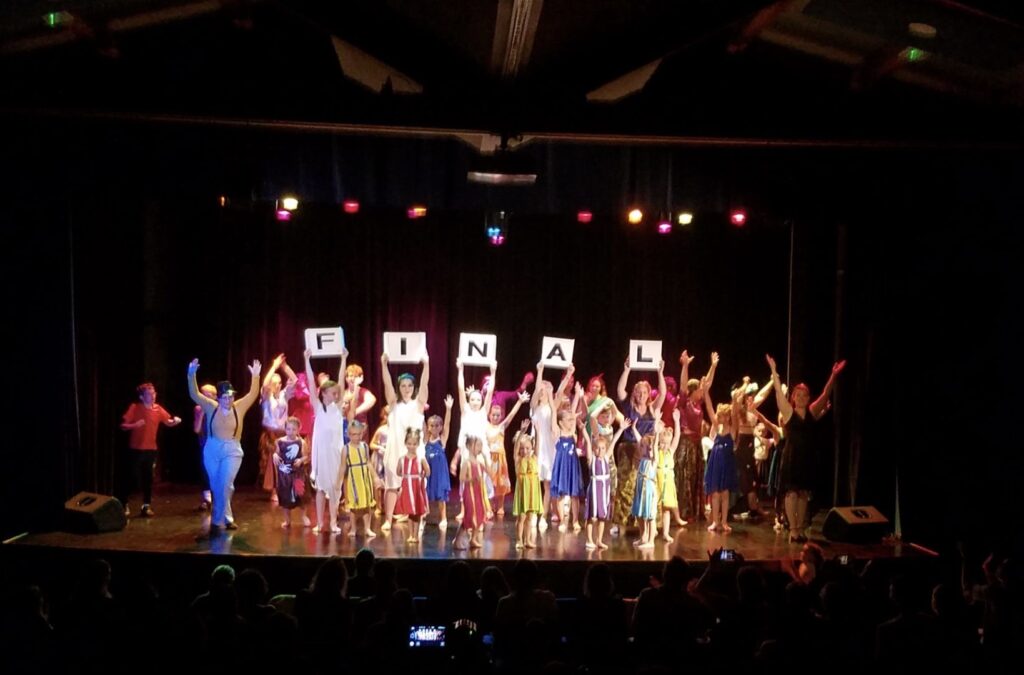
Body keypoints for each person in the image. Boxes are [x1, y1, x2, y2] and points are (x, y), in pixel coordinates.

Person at [766, 354, 846, 542]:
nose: (801, 398)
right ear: (793, 397)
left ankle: (800, 528)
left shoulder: (812, 412)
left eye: (804, 395)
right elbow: (778, 392)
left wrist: (834, 375)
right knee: (792, 493)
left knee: (803, 494)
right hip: (792, 457)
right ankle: (793, 529)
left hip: (807, 458)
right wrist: (774, 370)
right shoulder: (788, 412)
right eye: (798, 395)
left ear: (808, 398)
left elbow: (826, 394)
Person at [187, 358, 261, 531]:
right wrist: (191, 374)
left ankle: (216, 521)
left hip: (232, 449)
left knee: (225, 483)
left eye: (231, 396)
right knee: (216, 485)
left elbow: (252, 394)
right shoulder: (211, 406)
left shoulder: (238, 407)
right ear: (219, 398)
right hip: (212, 448)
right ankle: (227, 518)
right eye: (225, 397)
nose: (229, 400)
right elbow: (194, 394)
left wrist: (256, 376)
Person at [380, 349, 430, 532]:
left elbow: (425, 384)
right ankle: (388, 519)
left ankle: (419, 518)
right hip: (396, 449)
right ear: (399, 388)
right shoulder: (394, 405)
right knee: (392, 485)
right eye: (403, 386)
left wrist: (426, 365)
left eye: (409, 386)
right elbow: (387, 384)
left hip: (415, 450)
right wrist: (384, 365)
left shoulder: (418, 405)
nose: (407, 389)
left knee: (417, 485)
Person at [118, 383, 182, 517]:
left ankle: (146, 506)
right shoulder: (135, 407)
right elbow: (123, 426)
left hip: (151, 450)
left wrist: (175, 421)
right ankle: (124, 504)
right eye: (149, 394)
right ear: (142, 397)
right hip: (135, 449)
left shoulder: (158, 409)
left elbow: (168, 422)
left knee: (148, 478)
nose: (153, 396)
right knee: (131, 478)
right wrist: (135, 425)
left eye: (154, 393)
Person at [304, 348, 348, 534]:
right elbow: (310, 381)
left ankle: (333, 522)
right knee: (321, 489)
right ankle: (320, 522)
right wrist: (307, 360)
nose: (336, 395)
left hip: (335, 453)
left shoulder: (338, 408)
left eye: (336, 393)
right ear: (323, 393)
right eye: (332, 393)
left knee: (335, 489)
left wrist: (343, 359)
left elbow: (341, 381)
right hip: (321, 454)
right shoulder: (317, 407)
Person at [676, 350, 718, 523]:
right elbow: (683, 385)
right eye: (699, 389)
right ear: (692, 391)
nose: (702, 391)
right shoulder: (684, 402)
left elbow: (707, 384)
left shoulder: (698, 402)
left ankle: (694, 510)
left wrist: (713, 366)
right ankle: (685, 511)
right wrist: (685, 366)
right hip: (685, 444)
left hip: (696, 443)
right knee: (686, 477)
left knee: (696, 477)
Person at [703, 373, 742, 533]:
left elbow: (735, 414)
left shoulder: (732, 429)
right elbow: (709, 408)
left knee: (725, 493)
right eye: (720, 415)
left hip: (726, 462)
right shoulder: (716, 426)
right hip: (715, 461)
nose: (721, 418)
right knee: (715, 493)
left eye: (724, 415)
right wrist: (706, 392)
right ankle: (715, 521)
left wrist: (735, 400)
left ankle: (724, 521)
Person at [258, 353, 297, 504]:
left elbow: (294, 380)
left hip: (284, 433)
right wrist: (274, 367)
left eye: (280, 383)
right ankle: (274, 490)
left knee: (287, 461)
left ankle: (286, 488)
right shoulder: (266, 397)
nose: (278, 385)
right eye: (275, 383)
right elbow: (265, 384)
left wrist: (284, 367)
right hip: (271, 434)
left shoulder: (283, 395)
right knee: (273, 461)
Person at [586, 420, 629, 550]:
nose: (600, 451)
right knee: (592, 516)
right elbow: (588, 442)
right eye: (598, 448)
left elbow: (614, 441)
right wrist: (583, 431)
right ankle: (589, 540)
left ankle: (599, 540)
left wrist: (621, 429)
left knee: (602, 517)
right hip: (595, 489)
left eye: (603, 448)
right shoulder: (592, 459)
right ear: (594, 449)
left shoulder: (606, 458)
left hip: (604, 489)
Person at [485, 391, 530, 516]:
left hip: (500, 459)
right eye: (493, 415)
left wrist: (519, 402)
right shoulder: (485, 425)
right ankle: (490, 505)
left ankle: (500, 505)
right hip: (489, 459)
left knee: (501, 483)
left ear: (501, 416)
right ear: (489, 415)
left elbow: (511, 415)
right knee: (490, 482)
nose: (495, 417)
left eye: (498, 415)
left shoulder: (501, 427)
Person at [340, 420, 376, 538]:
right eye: (353, 434)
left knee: (366, 504)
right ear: (349, 434)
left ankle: (367, 528)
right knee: (353, 506)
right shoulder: (346, 449)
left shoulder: (364, 446)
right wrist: (338, 482)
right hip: (353, 479)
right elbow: (342, 467)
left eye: (359, 434)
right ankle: (353, 528)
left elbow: (369, 463)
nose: (356, 437)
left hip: (364, 478)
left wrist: (375, 477)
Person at [273, 416, 310, 528]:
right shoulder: (280, 441)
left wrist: (301, 460)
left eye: (294, 429)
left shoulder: (301, 442)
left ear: (298, 430)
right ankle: (287, 519)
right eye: (288, 429)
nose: (291, 432)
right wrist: (275, 455)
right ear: (285, 429)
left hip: (297, 473)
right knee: (285, 496)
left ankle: (304, 516)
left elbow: (306, 456)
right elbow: (277, 453)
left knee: (301, 494)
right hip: (285, 473)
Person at [395, 427, 430, 542]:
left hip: (416, 488)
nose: (411, 446)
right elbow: (398, 471)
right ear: (405, 443)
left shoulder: (421, 459)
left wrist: (421, 477)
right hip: (407, 488)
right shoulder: (402, 459)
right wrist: (406, 477)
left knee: (417, 512)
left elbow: (428, 471)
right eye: (409, 444)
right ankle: (410, 535)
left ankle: (416, 535)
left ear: (418, 444)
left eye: (414, 444)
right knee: (410, 512)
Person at [425, 396, 454, 528]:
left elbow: (447, 423)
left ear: (441, 427)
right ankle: (422, 517)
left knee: (441, 496)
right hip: (428, 472)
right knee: (425, 494)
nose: (435, 428)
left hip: (440, 473)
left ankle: (443, 518)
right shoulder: (426, 439)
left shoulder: (442, 439)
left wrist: (449, 409)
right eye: (432, 425)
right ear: (428, 427)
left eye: (437, 425)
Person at [512, 428, 542, 549]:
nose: (524, 451)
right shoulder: (518, 459)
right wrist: (521, 433)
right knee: (522, 517)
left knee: (530, 517)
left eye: (527, 448)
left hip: (532, 492)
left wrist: (537, 431)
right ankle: (519, 540)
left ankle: (527, 540)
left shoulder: (534, 457)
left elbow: (538, 444)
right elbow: (515, 448)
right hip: (523, 492)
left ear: (531, 448)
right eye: (522, 448)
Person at [192, 383, 217, 510]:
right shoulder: (198, 409)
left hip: (218, 444)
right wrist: (202, 414)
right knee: (205, 470)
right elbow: (196, 429)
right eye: (203, 395)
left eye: (208, 395)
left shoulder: (219, 409)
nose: (205, 398)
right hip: (205, 443)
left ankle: (217, 496)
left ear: (215, 397)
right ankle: (207, 498)